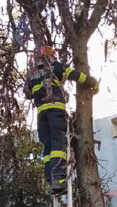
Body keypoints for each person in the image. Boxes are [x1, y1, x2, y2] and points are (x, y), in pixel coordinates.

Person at [25, 45, 99, 195]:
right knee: (58, 143)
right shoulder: (57, 67)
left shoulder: (31, 75)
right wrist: (93, 83)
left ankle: (50, 179)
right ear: (51, 56)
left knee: (48, 147)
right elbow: (77, 76)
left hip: (41, 115)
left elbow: (27, 93)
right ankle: (58, 178)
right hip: (55, 111)